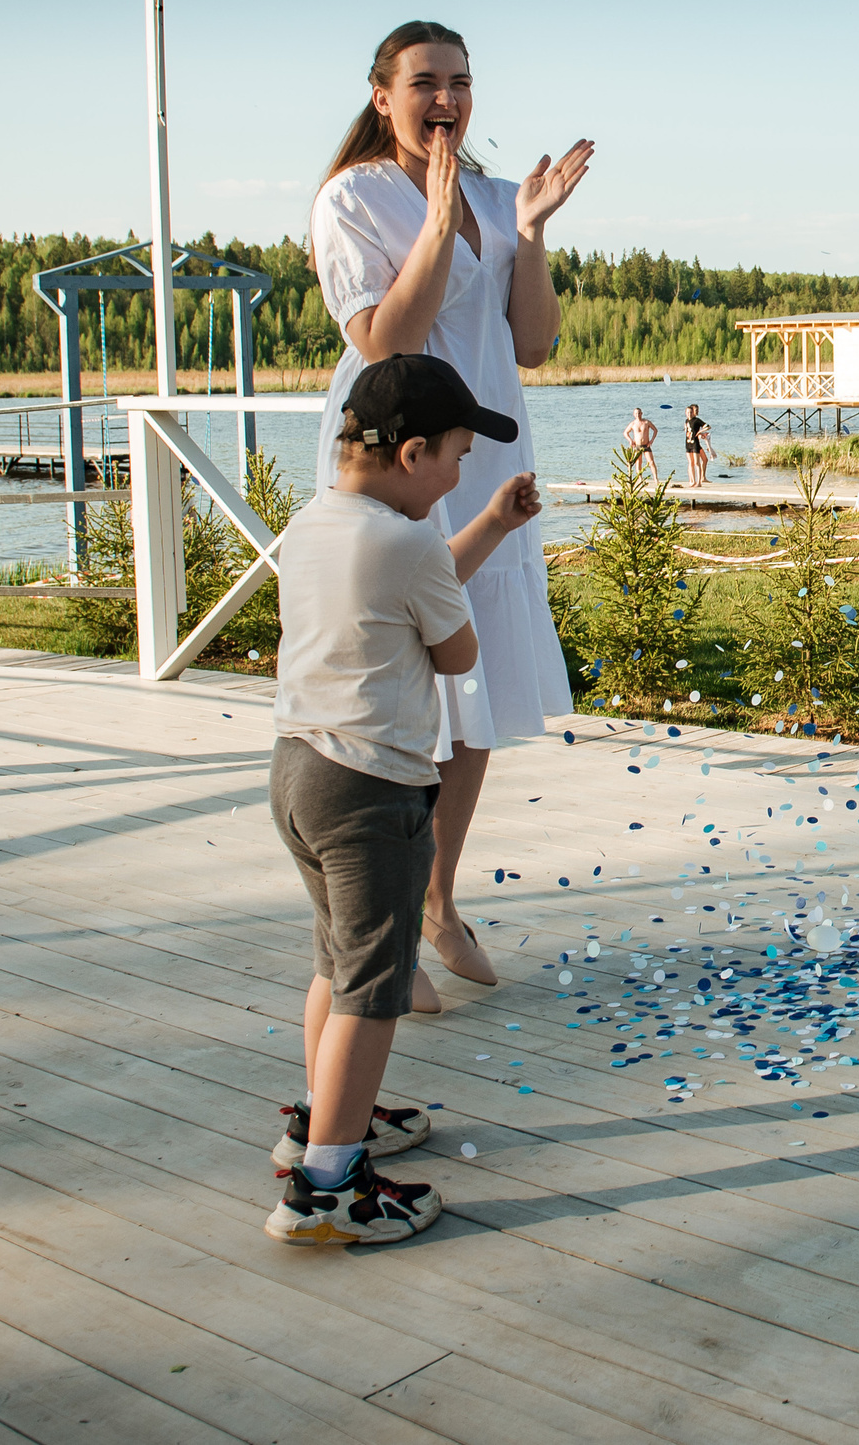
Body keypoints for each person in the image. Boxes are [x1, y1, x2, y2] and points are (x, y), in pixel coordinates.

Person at [308, 20, 592, 1013]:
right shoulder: (354, 197)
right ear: (382, 94)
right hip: (399, 459)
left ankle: (436, 897)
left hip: (488, 450)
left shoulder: (491, 195)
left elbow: (536, 340)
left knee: (472, 684)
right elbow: (387, 336)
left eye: (461, 82)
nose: (447, 98)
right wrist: (433, 224)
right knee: (398, 691)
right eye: (425, 81)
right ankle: (372, 923)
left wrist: (533, 230)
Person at [264, 354, 542, 1245]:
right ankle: (329, 1185)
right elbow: (457, 652)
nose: (466, 475)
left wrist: (491, 525)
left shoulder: (314, 522)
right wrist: (472, 555)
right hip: (373, 789)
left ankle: (321, 1115)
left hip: (299, 770)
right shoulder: (411, 541)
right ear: (412, 452)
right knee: (374, 991)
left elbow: (405, 589)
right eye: (459, 457)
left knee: (336, 962)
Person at [625, 407, 661, 478]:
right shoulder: (633, 424)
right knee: (638, 463)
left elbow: (655, 430)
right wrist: (630, 440)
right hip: (637, 445)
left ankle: (655, 478)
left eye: (639, 413)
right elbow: (625, 433)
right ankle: (640, 479)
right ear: (634, 414)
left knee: (651, 462)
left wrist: (651, 440)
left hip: (646, 445)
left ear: (641, 413)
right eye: (636, 413)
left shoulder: (646, 422)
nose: (638, 415)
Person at [682, 403, 712, 486]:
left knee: (697, 463)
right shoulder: (686, 421)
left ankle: (699, 481)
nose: (689, 414)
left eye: (691, 412)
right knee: (690, 463)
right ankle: (692, 480)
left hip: (695, 444)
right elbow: (686, 430)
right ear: (685, 413)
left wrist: (700, 432)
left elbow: (708, 426)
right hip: (688, 443)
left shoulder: (697, 420)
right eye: (688, 412)